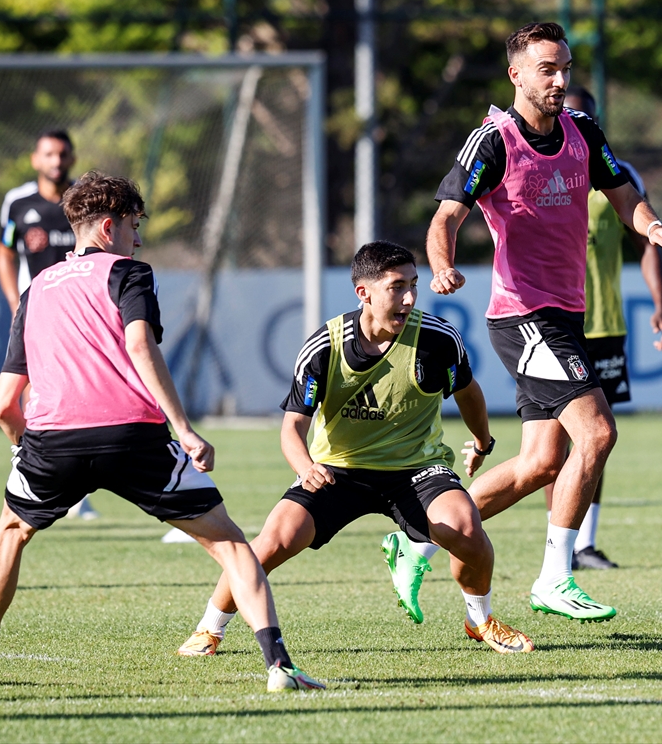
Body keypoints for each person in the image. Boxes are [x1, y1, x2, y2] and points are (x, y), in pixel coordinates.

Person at [0, 171, 322, 693]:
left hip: (53, 443)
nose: (138, 238)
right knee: (233, 545)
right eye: (133, 225)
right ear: (107, 227)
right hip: (133, 437)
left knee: (11, 532)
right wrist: (185, 429)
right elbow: (141, 347)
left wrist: (23, 448)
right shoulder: (129, 273)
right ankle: (279, 667)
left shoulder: (34, 293)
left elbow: (4, 403)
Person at [389, 21, 662, 625]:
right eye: (547, 69)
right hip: (523, 315)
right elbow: (446, 216)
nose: (559, 79)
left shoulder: (582, 132)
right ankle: (556, 576)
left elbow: (625, 195)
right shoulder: (493, 141)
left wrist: (652, 226)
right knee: (598, 433)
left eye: (566, 67)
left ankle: (417, 535)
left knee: (539, 465)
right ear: (516, 74)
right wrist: (442, 266)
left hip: (566, 315)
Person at [175, 241, 534, 657]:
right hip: (337, 471)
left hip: (416, 470)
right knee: (273, 541)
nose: (410, 298)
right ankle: (209, 627)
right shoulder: (325, 347)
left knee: (466, 529)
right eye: (397, 287)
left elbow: (469, 393)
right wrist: (305, 466)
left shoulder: (437, 339)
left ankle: (481, 619)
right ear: (363, 293)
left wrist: (482, 441)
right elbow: (292, 427)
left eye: (414, 285)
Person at [545, 85, 662, 571]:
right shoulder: (536, 165)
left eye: (588, 117)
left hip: (604, 323)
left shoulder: (616, 174)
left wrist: (661, 304)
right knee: (551, 447)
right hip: (554, 322)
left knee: (597, 439)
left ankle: (582, 546)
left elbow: (645, 240)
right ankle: (557, 546)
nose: (579, 123)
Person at [0, 130, 98, 521]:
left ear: (71, 159)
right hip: (37, 313)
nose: (56, 160)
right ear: (36, 159)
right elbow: (5, 251)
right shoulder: (18, 203)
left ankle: (78, 491)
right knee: (32, 391)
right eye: (48, 154)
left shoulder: (85, 200)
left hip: (82, 312)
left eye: (62, 154)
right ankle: (36, 470)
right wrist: (13, 300)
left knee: (83, 388)